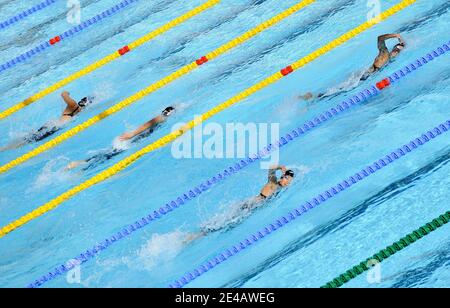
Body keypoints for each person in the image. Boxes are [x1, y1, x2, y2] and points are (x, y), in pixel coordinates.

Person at [184, 165, 295, 243]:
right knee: (222, 225)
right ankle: (194, 236)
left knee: (225, 226)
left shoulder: (279, 187)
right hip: (248, 206)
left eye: (290, 180)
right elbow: (271, 168)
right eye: (287, 179)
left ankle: (199, 233)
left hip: (250, 208)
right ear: (282, 177)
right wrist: (281, 167)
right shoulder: (273, 183)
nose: (288, 182)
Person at [300, 33, 406, 100]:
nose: (398, 51)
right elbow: (380, 38)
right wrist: (396, 35)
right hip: (363, 76)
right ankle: (313, 97)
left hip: (365, 76)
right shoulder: (385, 54)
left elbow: (398, 49)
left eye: (399, 49)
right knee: (339, 91)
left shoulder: (391, 58)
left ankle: (314, 96)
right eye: (398, 48)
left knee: (339, 90)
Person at [66, 106, 175, 170]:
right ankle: (81, 164)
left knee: (110, 153)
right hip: (130, 140)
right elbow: (151, 122)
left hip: (129, 140)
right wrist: (132, 134)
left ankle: (82, 163)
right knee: (110, 155)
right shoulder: (162, 118)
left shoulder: (163, 118)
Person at [0, 91, 93, 151]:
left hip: (51, 127)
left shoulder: (73, 105)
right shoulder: (79, 111)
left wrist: (68, 93)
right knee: (26, 141)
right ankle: (4, 149)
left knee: (25, 140)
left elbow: (63, 94)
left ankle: (3, 149)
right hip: (54, 129)